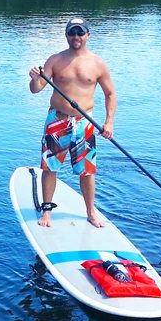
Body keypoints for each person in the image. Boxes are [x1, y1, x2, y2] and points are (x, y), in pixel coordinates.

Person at [28, 16, 116, 228]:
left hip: (84, 123)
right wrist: (33, 78)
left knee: (87, 171)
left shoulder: (98, 63)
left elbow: (110, 94)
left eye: (80, 32)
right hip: (57, 120)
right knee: (50, 167)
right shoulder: (55, 60)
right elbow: (36, 89)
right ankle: (47, 212)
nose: (76, 36)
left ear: (88, 34)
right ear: (66, 35)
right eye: (72, 32)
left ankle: (90, 212)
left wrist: (109, 123)